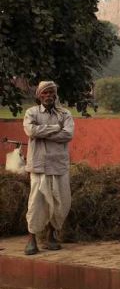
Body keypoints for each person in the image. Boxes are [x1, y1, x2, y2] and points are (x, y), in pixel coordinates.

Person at [22, 81, 74, 256]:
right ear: (39, 95)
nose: (48, 96)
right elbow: (31, 131)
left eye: (51, 93)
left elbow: (68, 134)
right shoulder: (31, 112)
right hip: (39, 165)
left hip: (59, 165)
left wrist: (42, 132)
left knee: (62, 202)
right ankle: (32, 239)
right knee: (36, 202)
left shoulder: (65, 113)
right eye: (44, 93)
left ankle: (51, 236)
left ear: (55, 94)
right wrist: (54, 129)